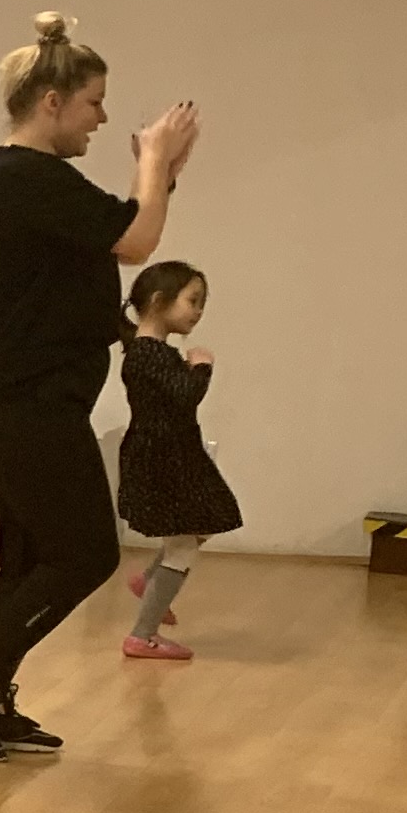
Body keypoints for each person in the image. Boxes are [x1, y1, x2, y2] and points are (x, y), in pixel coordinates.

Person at [0, 10, 199, 763]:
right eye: (93, 102)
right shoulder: (27, 176)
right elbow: (137, 240)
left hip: (15, 398)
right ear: (52, 102)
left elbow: (115, 238)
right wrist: (153, 159)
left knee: (27, 560)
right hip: (20, 402)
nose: (102, 118)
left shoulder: (30, 179)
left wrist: (161, 176)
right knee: (84, 554)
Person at [116, 262, 241, 660]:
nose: (198, 311)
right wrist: (202, 367)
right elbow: (186, 396)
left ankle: (150, 582)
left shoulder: (153, 352)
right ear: (159, 301)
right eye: (192, 301)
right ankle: (142, 635)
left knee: (204, 522)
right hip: (163, 457)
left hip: (175, 453)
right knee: (184, 544)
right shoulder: (146, 353)